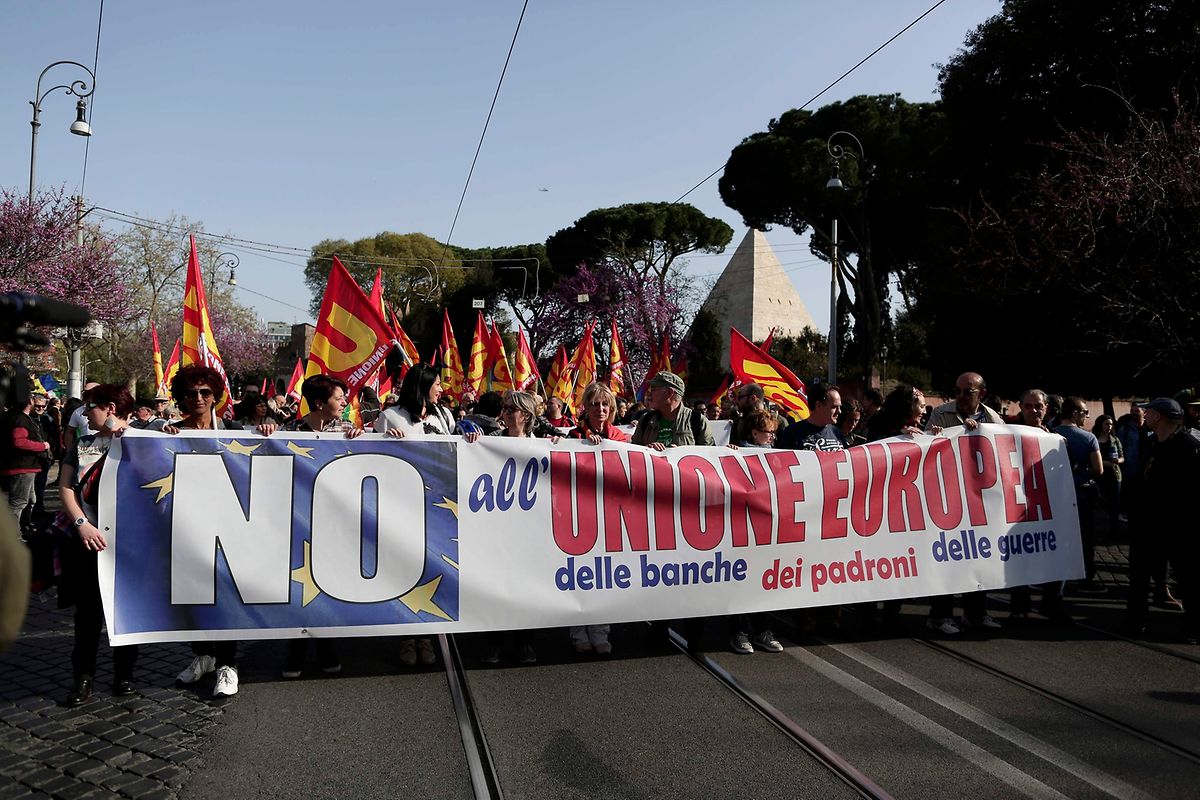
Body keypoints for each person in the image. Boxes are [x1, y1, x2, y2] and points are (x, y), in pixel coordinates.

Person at [164, 365, 274, 699]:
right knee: (192, 596)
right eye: (190, 393)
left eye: (205, 392)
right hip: (185, 527)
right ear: (181, 398)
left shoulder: (235, 429)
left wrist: (267, 430)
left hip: (228, 526)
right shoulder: (168, 432)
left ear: (215, 396)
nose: (198, 398)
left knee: (223, 597)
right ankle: (204, 656)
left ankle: (228, 664)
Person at [275, 374, 393, 678]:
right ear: (319, 403)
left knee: (325, 587)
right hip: (298, 522)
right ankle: (295, 651)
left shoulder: (346, 431)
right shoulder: (290, 431)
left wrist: (388, 438)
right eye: (339, 398)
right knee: (298, 588)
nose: (344, 403)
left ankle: (327, 644)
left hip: (334, 525)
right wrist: (266, 433)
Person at [58, 384, 140, 705]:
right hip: (90, 542)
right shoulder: (83, 445)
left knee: (126, 611)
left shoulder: (142, 442)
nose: (83, 413)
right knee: (88, 614)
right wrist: (82, 524)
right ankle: (83, 678)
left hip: (130, 546)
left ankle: (125, 675)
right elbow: (66, 488)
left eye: (89, 406)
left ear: (109, 407)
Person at [464, 390, 553, 664]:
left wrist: (558, 445)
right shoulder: (491, 444)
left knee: (527, 587)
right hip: (499, 531)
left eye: (509, 410)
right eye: (503, 409)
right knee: (498, 586)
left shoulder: (543, 445)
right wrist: (473, 445)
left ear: (525, 415)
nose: (503, 414)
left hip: (529, 531)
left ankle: (525, 641)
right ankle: (494, 642)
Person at [1126, 398, 1200, 642]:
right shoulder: (1150, 442)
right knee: (1138, 576)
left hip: (1179, 526)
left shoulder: (1189, 446)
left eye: (1149, 411)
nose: (1144, 414)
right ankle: (1136, 623)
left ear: (1159, 417)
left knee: (1188, 578)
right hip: (1147, 524)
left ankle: (1193, 628)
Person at [565, 382, 629, 656]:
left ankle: (601, 631)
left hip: (609, 514)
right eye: (595, 404)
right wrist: (582, 447)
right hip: (579, 514)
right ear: (586, 408)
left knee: (603, 576)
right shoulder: (573, 435)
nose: (601, 409)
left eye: (605, 405)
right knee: (578, 574)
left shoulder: (622, 438)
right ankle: (578, 631)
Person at [726, 408, 786, 654]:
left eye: (773, 433)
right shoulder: (736, 453)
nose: (771, 437)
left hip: (765, 527)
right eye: (767, 433)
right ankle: (738, 631)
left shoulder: (776, 455)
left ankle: (761, 629)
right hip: (741, 527)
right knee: (740, 581)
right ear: (754, 433)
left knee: (762, 581)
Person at [1054, 396, 1104, 593]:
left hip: (1057, 494)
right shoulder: (1088, 437)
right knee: (1085, 536)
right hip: (1081, 493)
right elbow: (1098, 469)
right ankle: (1085, 577)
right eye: (1084, 412)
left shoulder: (1051, 433)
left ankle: (1056, 576)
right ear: (1075, 413)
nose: (1086, 416)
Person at [1, 394, 52, 537]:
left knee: (30, 500)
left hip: (26, 466)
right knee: (18, 503)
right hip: (22, 467)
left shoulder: (18, 417)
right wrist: (42, 446)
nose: (40, 407)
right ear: (29, 401)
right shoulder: (19, 419)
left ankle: (25, 527)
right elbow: (19, 441)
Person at [631, 372, 714, 449]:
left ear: (669, 393)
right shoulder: (645, 420)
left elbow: (710, 456)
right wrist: (647, 450)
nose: (648, 394)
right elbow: (633, 455)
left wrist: (680, 454)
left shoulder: (698, 420)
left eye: (653, 390)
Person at [374, 364, 457, 437]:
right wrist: (386, 441)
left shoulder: (444, 414)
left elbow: (457, 447)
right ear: (424, 387)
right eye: (438, 384)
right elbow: (372, 450)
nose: (441, 389)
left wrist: (467, 439)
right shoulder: (389, 416)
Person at [926, 372, 1004, 432]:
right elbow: (927, 442)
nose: (961, 395)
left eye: (968, 392)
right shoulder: (941, 414)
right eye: (957, 391)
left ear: (981, 394)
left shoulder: (993, 418)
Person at [777, 382, 845, 451]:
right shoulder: (792, 433)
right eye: (834, 407)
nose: (839, 411)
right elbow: (781, 460)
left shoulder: (837, 433)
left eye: (839, 407)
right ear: (818, 405)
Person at [1093, 414, 1124, 523]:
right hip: (1099, 474)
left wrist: (1117, 461)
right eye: (1106, 424)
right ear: (1100, 424)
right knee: (1100, 500)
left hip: (1114, 474)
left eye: (1111, 424)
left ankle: (1114, 526)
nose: (1109, 426)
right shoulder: (1094, 439)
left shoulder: (1115, 439)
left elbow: (1122, 457)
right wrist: (1103, 463)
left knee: (1115, 501)